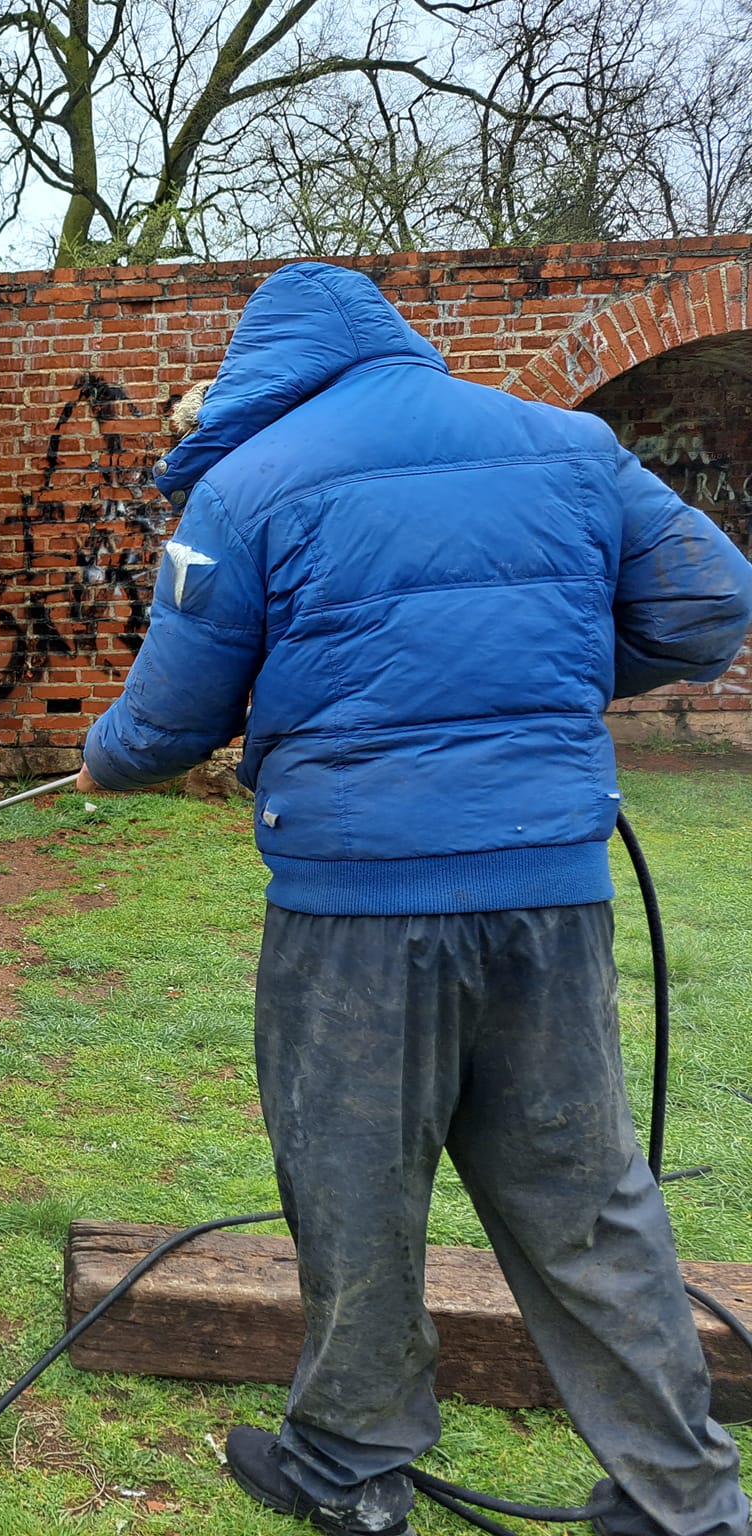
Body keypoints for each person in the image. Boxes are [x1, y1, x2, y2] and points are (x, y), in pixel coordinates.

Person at [74, 261, 752, 1536]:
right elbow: (711, 599)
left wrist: (102, 758)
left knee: (352, 1188)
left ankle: (348, 1466)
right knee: (588, 1198)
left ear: (267, 364)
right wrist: (536, 676)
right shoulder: (567, 444)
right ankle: (684, 1504)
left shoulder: (250, 482)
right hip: (547, 887)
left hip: (353, 908)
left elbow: (165, 720)